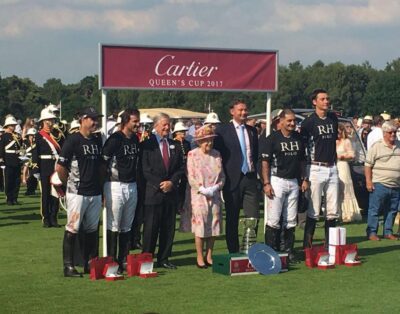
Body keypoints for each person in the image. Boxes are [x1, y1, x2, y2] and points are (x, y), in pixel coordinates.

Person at [56, 107, 104, 277]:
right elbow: (60, 166)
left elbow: (100, 167)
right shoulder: (73, 140)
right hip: (77, 192)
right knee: (72, 228)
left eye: (96, 119)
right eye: (92, 119)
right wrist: (67, 183)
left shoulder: (98, 140)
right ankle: (68, 266)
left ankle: (90, 263)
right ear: (82, 120)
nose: (95, 122)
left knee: (92, 229)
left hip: (95, 192)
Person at [260, 109, 308, 261]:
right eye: (289, 121)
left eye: (294, 120)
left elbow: (302, 161)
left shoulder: (298, 138)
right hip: (277, 180)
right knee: (274, 219)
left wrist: (304, 179)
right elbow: (265, 163)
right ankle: (271, 251)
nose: (292, 123)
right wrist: (266, 183)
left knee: (291, 219)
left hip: (294, 181)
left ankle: (288, 251)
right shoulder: (272, 139)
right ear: (280, 121)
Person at [214, 99, 259, 253]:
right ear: (232, 111)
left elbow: (256, 154)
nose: (244, 113)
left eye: (245, 110)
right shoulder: (222, 130)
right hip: (232, 179)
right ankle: (233, 251)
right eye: (240, 110)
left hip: (250, 177)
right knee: (232, 218)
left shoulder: (252, 131)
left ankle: (249, 249)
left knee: (253, 217)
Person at [141, 113, 184, 269]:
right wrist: (160, 184)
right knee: (151, 229)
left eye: (169, 124)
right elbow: (145, 170)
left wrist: (171, 183)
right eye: (164, 124)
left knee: (168, 228)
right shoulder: (147, 145)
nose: (167, 127)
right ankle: (146, 260)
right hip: (153, 193)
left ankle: (164, 258)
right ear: (156, 126)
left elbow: (180, 168)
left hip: (171, 194)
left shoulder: (176, 145)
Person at [102, 109, 141, 273]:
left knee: (127, 225)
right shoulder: (115, 139)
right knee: (114, 224)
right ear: (125, 121)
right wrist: (102, 187)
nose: (137, 124)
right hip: (115, 184)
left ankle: (124, 258)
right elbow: (103, 162)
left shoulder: (135, 140)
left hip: (131, 185)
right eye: (134, 121)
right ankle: (111, 261)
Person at [301, 89, 339, 248]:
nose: (326, 101)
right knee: (314, 209)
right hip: (316, 167)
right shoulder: (309, 122)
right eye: (323, 99)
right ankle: (307, 246)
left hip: (332, 167)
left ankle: (330, 245)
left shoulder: (332, 119)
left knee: (333, 209)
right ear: (314, 102)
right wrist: (304, 175)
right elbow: (302, 147)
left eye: (328, 99)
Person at [187, 125, 225, 268]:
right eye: (205, 140)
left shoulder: (217, 154)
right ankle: (199, 256)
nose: (209, 143)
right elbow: (190, 176)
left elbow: (223, 176)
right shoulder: (192, 154)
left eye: (210, 140)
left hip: (214, 194)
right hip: (199, 195)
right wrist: (202, 189)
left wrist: (216, 187)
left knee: (214, 224)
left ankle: (209, 255)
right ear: (198, 142)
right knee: (201, 225)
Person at [365, 121, 400, 241]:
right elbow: (368, 165)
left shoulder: (399, 145)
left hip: (396, 185)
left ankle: (388, 232)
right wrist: (368, 181)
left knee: (392, 210)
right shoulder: (376, 146)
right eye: (391, 132)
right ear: (384, 133)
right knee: (374, 210)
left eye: (395, 132)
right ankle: (372, 232)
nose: (393, 134)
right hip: (379, 183)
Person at [32, 108, 63, 228]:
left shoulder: (58, 135)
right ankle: (46, 218)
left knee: (56, 193)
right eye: (48, 120)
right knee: (45, 193)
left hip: (56, 165)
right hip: (44, 166)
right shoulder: (38, 136)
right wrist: (35, 169)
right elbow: (35, 154)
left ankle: (54, 217)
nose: (50, 122)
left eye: (52, 120)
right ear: (43, 121)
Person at [336, 123, 362, 222]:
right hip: (333, 166)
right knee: (335, 189)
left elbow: (352, 155)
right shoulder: (333, 141)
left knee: (345, 189)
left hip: (342, 165)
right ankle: (337, 213)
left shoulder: (346, 141)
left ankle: (348, 213)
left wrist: (341, 157)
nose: (337, 133)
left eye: (339, 131)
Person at [0, 115, 22, 205]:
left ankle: (15, 198)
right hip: (8, 160)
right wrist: (1, 159)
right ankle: (9, 199)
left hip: (17, 159)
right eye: (11, 124)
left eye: (14, 124)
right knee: (9, 181)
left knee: (17, 181)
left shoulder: (18, 136)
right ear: (7, 125)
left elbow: (21, 147)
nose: (13, 126)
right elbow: (1, 149)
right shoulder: (4, 136)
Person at [22, 128, 38, 196]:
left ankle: (32, 190)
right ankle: (29, 190)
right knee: (29, 176)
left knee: (34, 176)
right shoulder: (25, 143)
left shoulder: (37, 143)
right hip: (26, 160)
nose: (32, 137)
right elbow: (22, 152)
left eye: (34, 135)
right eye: (31, 135)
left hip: (34, 161)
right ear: (28, 136)